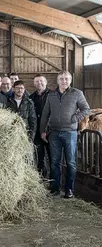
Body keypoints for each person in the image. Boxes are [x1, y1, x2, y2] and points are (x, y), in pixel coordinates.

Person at [40, 70, 90, 198]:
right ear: (57, 81)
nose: (64, 81)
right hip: (54, 133)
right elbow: (45, 114)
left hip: (70, 133)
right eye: (61, 79)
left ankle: (69, 190)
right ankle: (55, 189)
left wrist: (74, 118)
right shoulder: (51, 95)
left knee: (71, 163)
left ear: (70, 80)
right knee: (55, 162)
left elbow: (86, 109)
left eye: (66, 79)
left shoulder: (77, 93)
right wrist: (43, 131)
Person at [30, 74, 51, 178]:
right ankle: (42, 180)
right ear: (34, 84)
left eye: (41, 81)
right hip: (37, 132)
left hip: (50, 132)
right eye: (37, 81)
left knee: (53, 157)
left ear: (46, 82)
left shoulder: (53, 95)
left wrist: (46, 129)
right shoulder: (31, 98)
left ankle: (54, 182)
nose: (39, 83)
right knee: (39, 157)